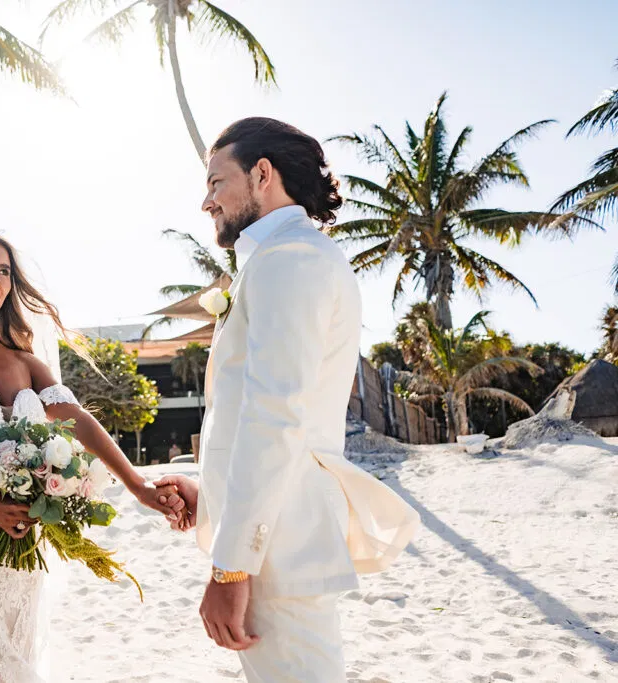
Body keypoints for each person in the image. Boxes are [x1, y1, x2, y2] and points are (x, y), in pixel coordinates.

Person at [156, 118, 420, 683]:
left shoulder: (290, 260)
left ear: (262, 173)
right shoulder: (287, 257)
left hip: (277, 550)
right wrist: (209, 495)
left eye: (215, 182)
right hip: (275, 537)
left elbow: (276, 418)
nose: (206, 202)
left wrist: (231, 568)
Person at [0, 231, 180, 682]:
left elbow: (78, 421)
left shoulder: (25, 363)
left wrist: (137, 484)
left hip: (16, 548)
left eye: (3, 271)